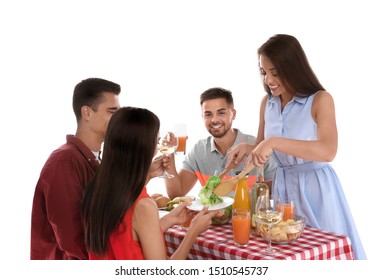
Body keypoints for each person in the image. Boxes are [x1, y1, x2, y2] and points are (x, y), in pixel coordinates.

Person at [226, 34, 366, 259]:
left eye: (275, 72)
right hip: (282, 189)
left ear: (293, 68)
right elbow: (262, 142)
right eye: (264, 72)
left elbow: (328, 151)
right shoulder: (267, 103)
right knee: (289, 254)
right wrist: (248, 147)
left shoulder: (320, 100)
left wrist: (272, 143)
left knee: (325, 256)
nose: (268, 80)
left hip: (316, 189)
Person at [82, 106, 217, 260]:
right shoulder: (144, 206)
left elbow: (126, 236)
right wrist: (193, 232)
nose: (157, 147)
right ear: (145, 148)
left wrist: (170, 219)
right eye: (157, 141)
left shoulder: (96, 189)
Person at [30, 78, 122, 260]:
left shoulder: (94, 160)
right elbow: (72, 239)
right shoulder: (63, 161)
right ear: (87, 113)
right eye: (112, 112)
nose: (119, 119)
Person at [165, 87, 276, 199]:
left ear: (233, 114)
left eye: (221, 113)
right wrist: (169, 154)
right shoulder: (199, 150)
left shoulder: (258, 147)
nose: (214, 120)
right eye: (208, 114)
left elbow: (275, 194)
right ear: (202, 117)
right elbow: (176, 194)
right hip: (213, 217)